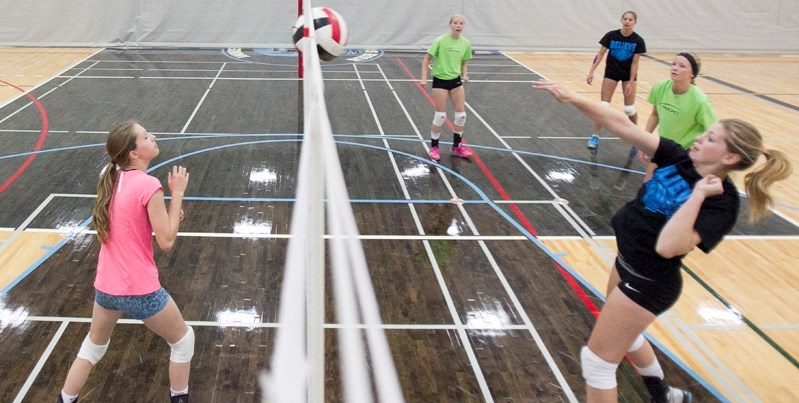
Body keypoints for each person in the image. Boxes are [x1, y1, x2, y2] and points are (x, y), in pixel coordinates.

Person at [533, 80, 791, 403]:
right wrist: (572, 97)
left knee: (597, 362)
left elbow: (669, 246)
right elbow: (619, 122)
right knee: (626, 336)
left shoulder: (721, 202)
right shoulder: (678, 157)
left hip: (650, 281)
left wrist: (697, 195)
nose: (699, 137)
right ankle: (663, 394)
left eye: (710, 138)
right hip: (626, 262)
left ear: (730, 157)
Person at [58, 121, 194, 403]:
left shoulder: (110, 180)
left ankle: (64, 400)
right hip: (139, 289)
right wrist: (177, 193)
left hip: (106, 289)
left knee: (93, 348)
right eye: (145, 136)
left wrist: (169, 215)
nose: (153, 136)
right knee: (183, 341)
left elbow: (135, 222)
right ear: (134, 153)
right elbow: (167, 242)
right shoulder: (149, 184)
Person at [642, 52, 717, 179]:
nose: (675, 68)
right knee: (647, 185)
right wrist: (643, 141)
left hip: (686, 153)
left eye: (682, 66)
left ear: (692, 74)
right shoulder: (660, 87)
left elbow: (714, 130)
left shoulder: (700, 101)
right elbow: (655, 114)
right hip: (664, 147)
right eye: (674, 64)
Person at [585, 11, 646, 152]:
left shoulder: (638, 40)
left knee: (629, 109)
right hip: (611, 73)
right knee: (604, 106)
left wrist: (631, 81)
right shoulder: (611, 35)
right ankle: (595, 136)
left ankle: (636, 138)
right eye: (625, 19)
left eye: (630, 19)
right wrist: (592, 71)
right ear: (621, 20)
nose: (627, 21)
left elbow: (635, 63)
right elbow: (600, 53)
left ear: (634, 22)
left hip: (627, 75)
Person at [420, 14, 473, 161]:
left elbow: (464, 62)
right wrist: (424, 78)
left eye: (461, 23)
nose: (458, 25)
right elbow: (426, 59)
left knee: (461, 116)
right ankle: (434, 147)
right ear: (450, 24)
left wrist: (465, 75)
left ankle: (457, 146)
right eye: (456, 23)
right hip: (440, 81)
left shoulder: (465, 43)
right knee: (440, 116)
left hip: (455, 81)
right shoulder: (440, 41)